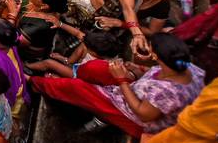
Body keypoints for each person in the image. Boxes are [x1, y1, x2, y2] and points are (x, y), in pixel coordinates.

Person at [33, 32, 203, 137]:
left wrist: (122, 80)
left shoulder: (166, 92)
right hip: (130, 91)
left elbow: (143, 114)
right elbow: (153, 73)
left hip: (133, 117)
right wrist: (137, 69)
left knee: (76, 87)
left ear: (156, 56)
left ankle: (34, 82)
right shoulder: (189, 68)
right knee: (94, 71)